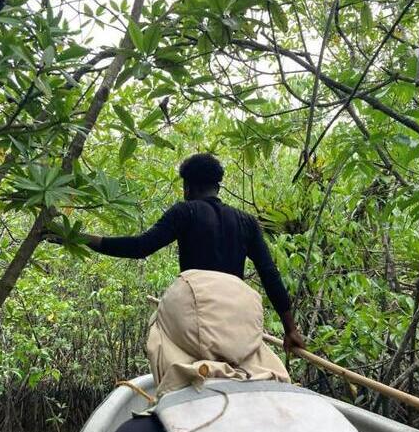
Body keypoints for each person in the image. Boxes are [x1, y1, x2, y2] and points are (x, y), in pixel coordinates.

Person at [82, 152, 306, 355]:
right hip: (237, 313)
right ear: (217, 187)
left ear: (188, 187)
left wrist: (81, 238)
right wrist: (290, 329)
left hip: (198, 311)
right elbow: (270, 274)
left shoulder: (185, 211)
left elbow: (140, 247)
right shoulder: (247, 222)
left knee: (158, 331)